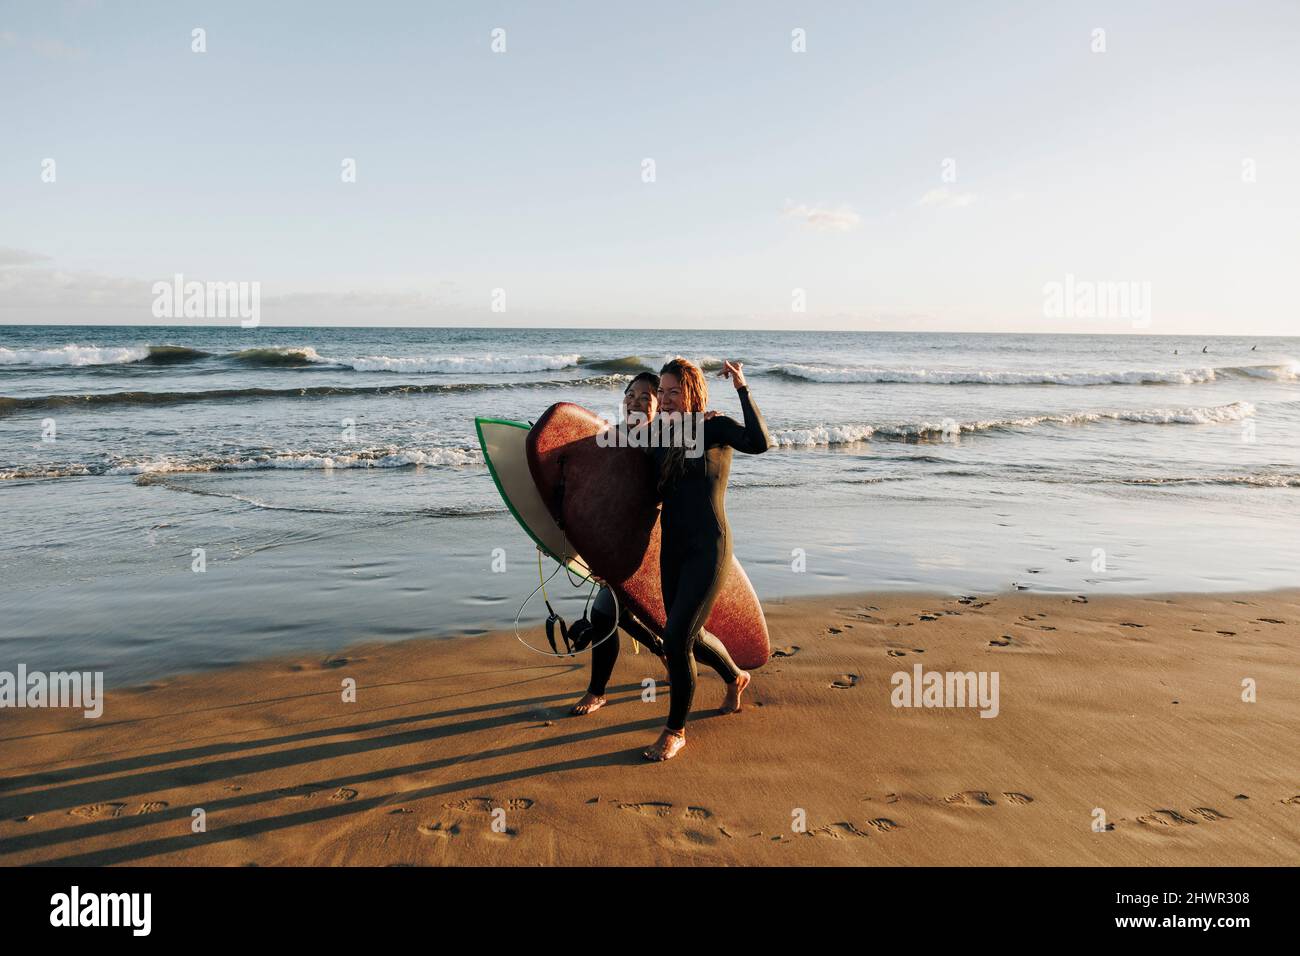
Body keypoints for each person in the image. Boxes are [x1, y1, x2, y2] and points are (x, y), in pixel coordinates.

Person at [569, 371, 746, 716]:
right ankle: (601, 688)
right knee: (610, 615)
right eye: (630, 396)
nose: (635, 403)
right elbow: (597, 499)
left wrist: (703, 418)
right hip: (620, 544)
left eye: (645, 398)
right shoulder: (616, 438)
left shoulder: (661, 439)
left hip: (652, 545)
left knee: (673, 631)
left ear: (658, 406)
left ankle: (726, 673)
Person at [641, 357, 770, 760]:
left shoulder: (713, 428)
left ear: (692, 393)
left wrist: (742, 388)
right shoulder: (656, 436)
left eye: (673, 391)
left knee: (675, 641)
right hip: (672, 547)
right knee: (687, 635)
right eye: (661, 392)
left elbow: (759, 442)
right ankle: (735, 677)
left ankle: (675, 730)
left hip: (709, 548)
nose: (665, 399)